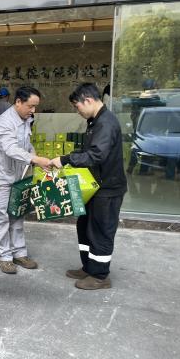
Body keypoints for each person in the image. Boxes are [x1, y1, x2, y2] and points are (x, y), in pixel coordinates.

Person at [51, 83, 127, 290]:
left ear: (88, 100)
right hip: (94, 186)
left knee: (101, 231)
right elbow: (89, 151)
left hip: (107, 189)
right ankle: (89, 267)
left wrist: (65, 159)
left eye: (77, 106)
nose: (77, 111)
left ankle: (100, 276)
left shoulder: (106, 123)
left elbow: (96, 155)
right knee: (85, 227)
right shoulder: (96, 121)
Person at [0, 86, 51, 274]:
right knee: (1, 217)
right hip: (1, 176)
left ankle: (19, 253)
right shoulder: (4, 122)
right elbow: (10, 149)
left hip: (18, 176)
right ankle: (5, 257)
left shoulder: (26, 120)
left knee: (17, 214)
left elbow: (26, 144)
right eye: (30, 106)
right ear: (18, 102)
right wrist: (35, 159)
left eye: (35, 106)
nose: (33, 110)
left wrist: (35, 157)